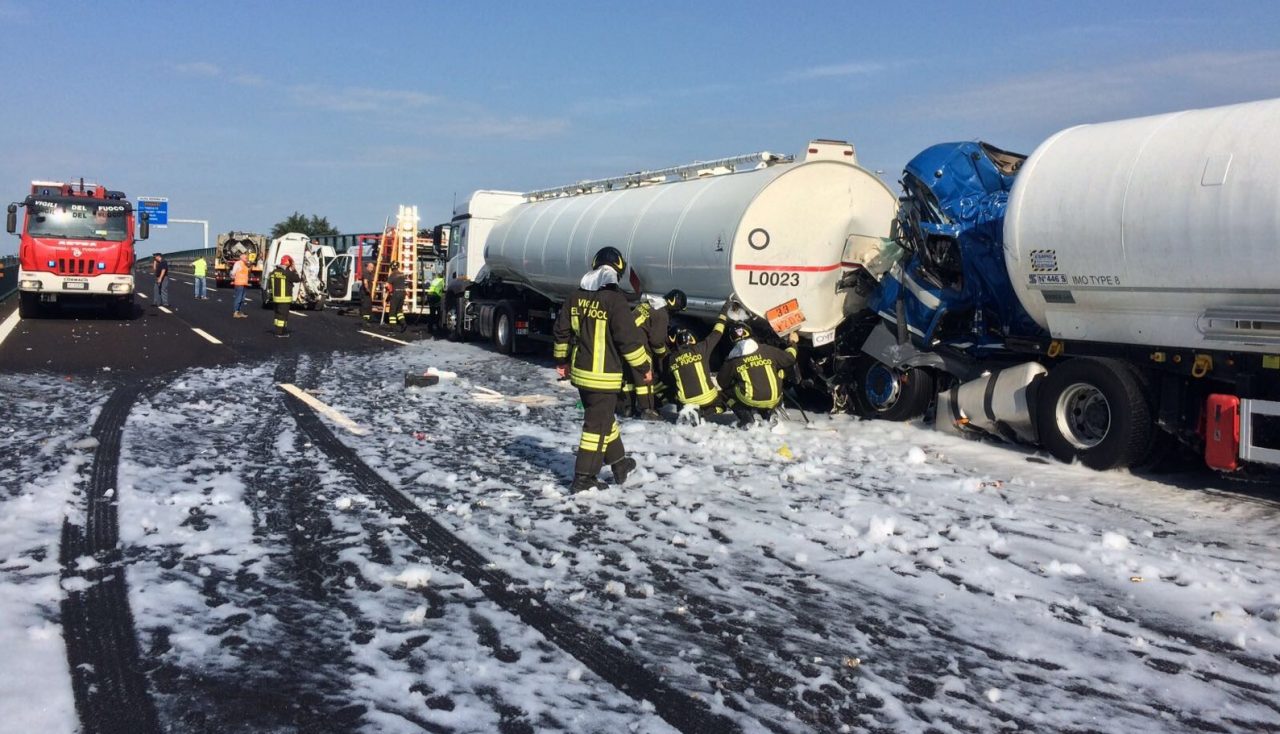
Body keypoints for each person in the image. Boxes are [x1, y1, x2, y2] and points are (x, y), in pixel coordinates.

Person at [553, 246, 653, 493]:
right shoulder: (615, 300)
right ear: (617, 272)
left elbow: (561, 331)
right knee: (595, 427)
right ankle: (584, 478)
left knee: (603, 419)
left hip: (581, 375)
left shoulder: (576, 296)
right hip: (604, 377)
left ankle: (619, 464)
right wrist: (643, 367)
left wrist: (562, 362)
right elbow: (628, 340)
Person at [717, 324, 799, 427]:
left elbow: (722, 382)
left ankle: (746, 417)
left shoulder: (732, 359)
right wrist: (793, 343)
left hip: (749, 400)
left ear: (732, 339)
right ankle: (769, 412)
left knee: (725, 394)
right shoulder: (767, 350)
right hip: (775, 398)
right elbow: (790, 358)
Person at [624, 288, 687, 420]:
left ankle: (628, 407)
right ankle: (647, 410)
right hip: (638, 345)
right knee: (645, 376)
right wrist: (665, 356)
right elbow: (657, 342)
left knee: (629, 376)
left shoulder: (649, 303)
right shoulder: (662, 314)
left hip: (625, 342)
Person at [666, 302, 732, 422]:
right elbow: (717, 333)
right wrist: (724, 311)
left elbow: (671, 381)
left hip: (685, 400)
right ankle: (703, 413)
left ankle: (687, 410)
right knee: (725, 402)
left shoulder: (671, 358)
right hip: (707, 398)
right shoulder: (700, 349)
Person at [268, 255, 302, 337]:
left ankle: (279, 329)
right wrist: (294, 270)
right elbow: (297, 279)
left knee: (277, 315)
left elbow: (270, 285)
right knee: (283, 315)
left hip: (276, 298)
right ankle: (279, 333)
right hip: (284, 299)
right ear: (288, 262)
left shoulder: (273, 272)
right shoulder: (288, 273)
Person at [384, 262, 407, 332]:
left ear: (392, 267)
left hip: (396, 293)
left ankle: (392, 327)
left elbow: (387, 285)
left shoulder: (393, 274)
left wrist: (387, 293)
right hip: (402, 293)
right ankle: (403, 323)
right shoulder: (402, 274)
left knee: (392, 311)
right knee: (399, 310)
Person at [230, 253, 250, 318]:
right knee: (238, 298)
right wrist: (233, 279)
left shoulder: (245, 264)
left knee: (242, 299)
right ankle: (236, 312)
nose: (247, 259)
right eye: (245, 258)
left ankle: (239, 312)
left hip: (244, 284)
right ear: (241, 258)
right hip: (239, 284)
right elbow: (233, 273)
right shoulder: (238, 263)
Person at [358, 262, 375, 328]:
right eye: (371, 267)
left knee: (368, 307)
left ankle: (366, 321)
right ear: (368, 267)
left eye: (373, 268)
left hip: (367, 293)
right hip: (365, 293)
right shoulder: (366, 273)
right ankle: (364, 322)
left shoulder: (369, 273)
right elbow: (365, 282)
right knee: (365, 307)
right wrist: (367, 290)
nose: (372, 269)